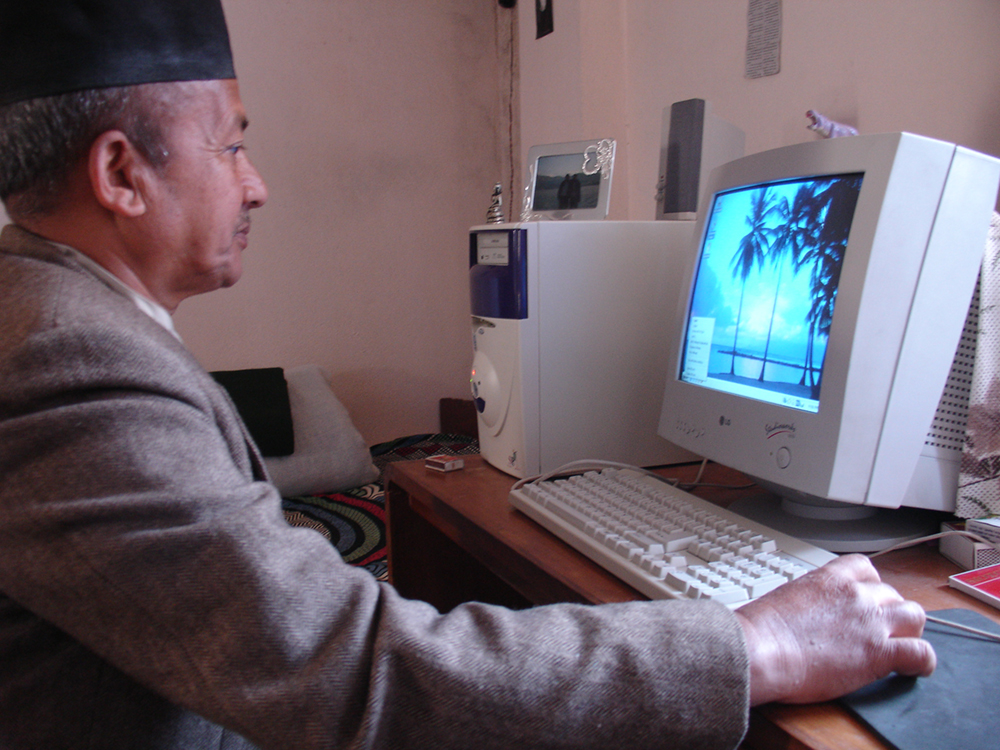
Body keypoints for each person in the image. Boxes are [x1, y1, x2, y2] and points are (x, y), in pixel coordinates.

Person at [0, 1, 936, 748]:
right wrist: (753, 642)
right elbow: (347, 672)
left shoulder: (59, 317)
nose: (257, 185)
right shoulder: (69, 364)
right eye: (233, 143)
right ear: (122, 174)